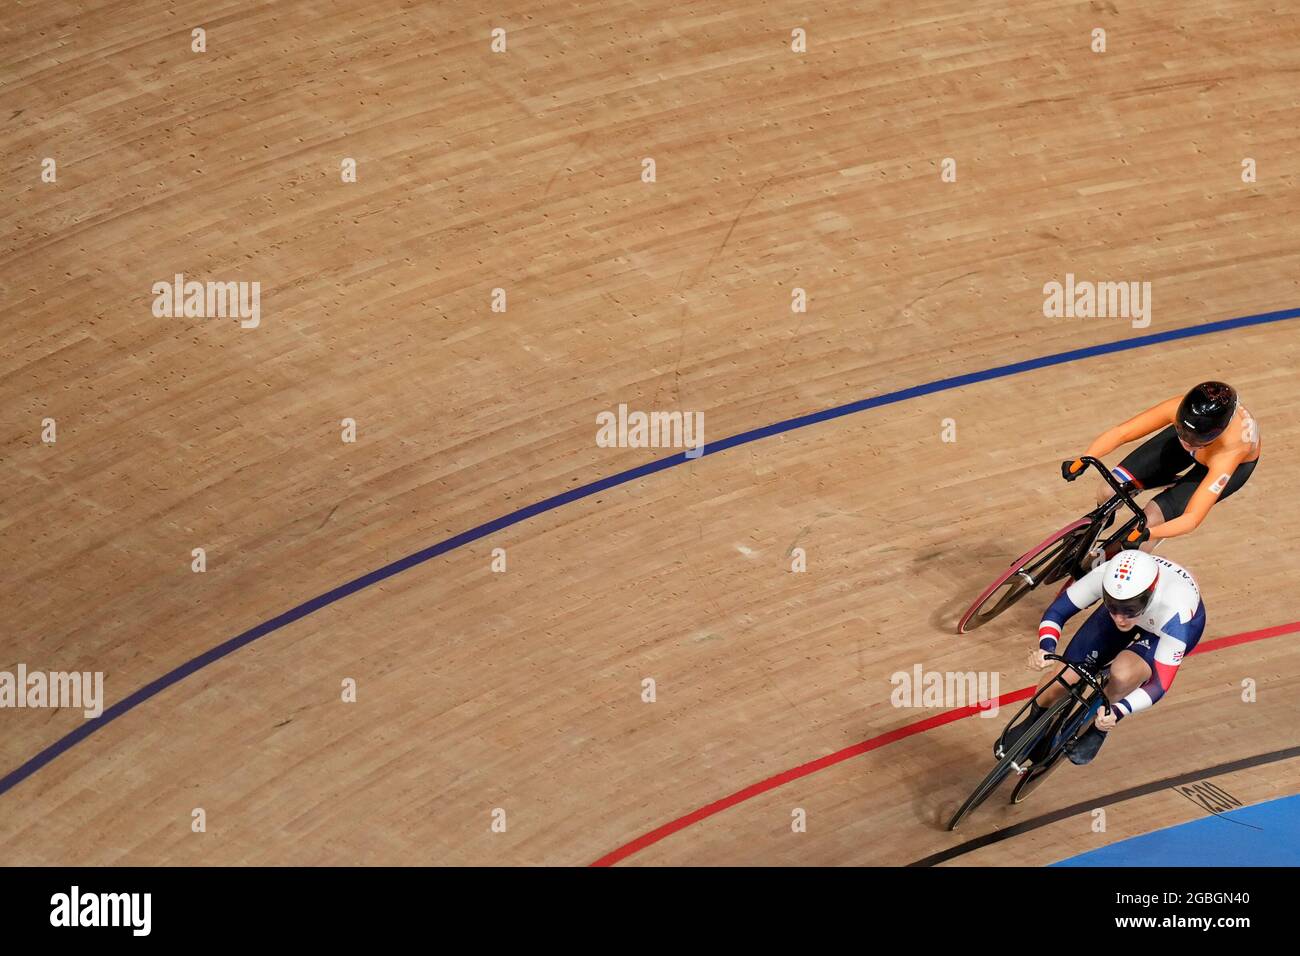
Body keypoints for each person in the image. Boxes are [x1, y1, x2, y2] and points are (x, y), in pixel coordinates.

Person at [1010, 549, 1204, 765]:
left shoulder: (1176, 613)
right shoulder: (1107, 576)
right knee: (1064, 677)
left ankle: (1100, 722)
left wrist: (1118, 711)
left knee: (1122, 674)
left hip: (1161, 630)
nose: (1120, 619)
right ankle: (1035, 719)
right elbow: (1057, 612)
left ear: (1149, 594)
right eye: (1112, 606)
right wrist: (1047, 648)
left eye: (1129, 610)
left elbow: (1159, 684)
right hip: (1139, 608)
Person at [1062, 381, 1259, 547]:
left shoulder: (1232, 450)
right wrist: (1085, 458)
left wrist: (1149, 534)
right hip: (1201, 437)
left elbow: (1192, 518)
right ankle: (1103, 519)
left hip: (1228, 463)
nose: (1188, 442)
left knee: (1150, 522)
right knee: (1108, 490)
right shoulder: (1183, 414)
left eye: (1196, 439)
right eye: (1181, 430)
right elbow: (1123, 432)